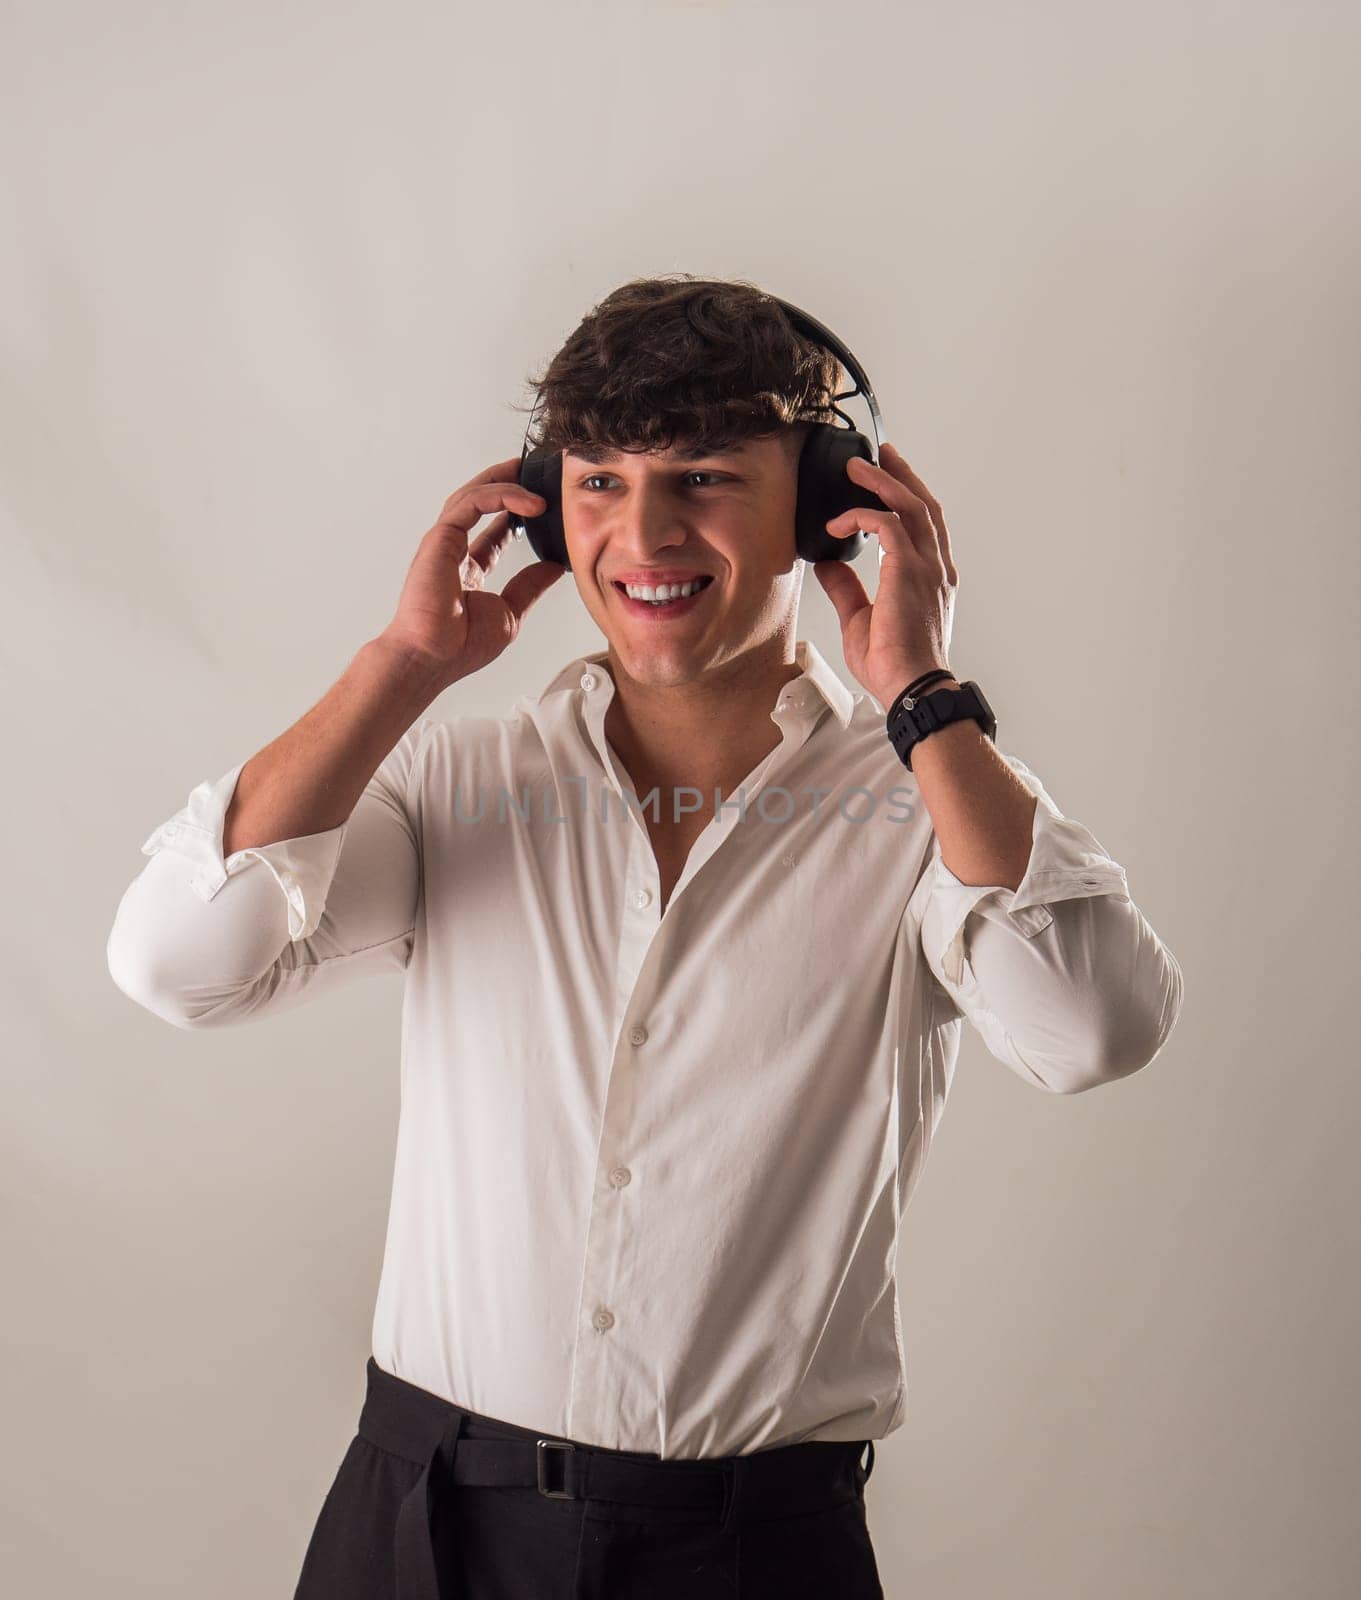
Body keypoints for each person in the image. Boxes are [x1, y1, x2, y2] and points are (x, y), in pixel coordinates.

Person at [106, 274, 1184, 1598]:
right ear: (546, 507)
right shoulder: (451, 781)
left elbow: (1087, 1029)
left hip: (751, 1547)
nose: (643, 533)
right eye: (600, 482)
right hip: (425, 1525)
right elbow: (179, 963)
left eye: (704, 478)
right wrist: (403, 661)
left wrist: (918, 691)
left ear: (826, 508)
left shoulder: (931, 807)